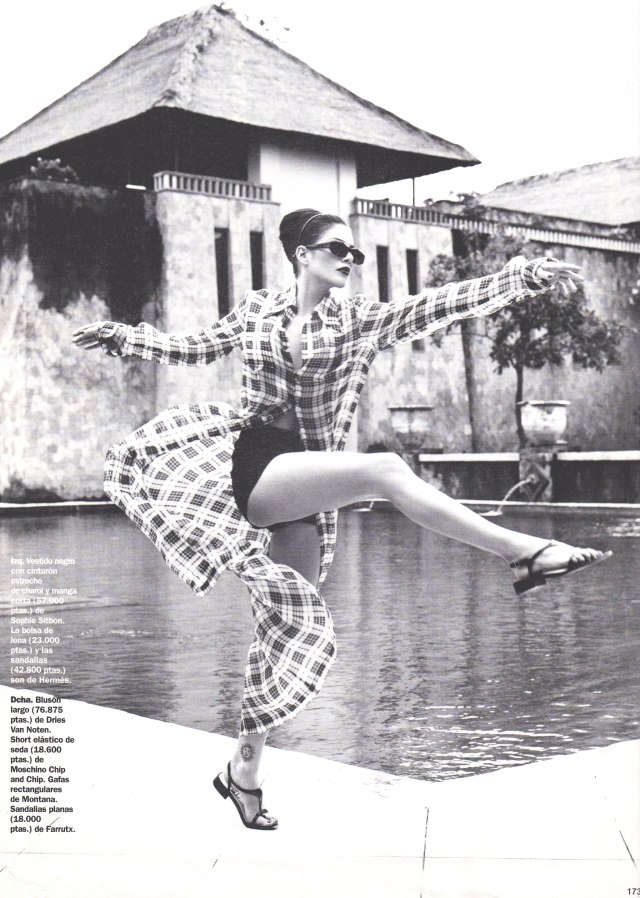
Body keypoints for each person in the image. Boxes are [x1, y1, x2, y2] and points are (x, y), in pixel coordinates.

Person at [73, 208, 610, 831]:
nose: (350, 260)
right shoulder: (256, 311)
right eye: (337, 248)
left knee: (285, 631)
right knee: (384, 470)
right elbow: (193, 347)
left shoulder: (356, 320)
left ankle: (243, 772)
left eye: (354, 252)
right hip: (257, 461)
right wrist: (125, 337)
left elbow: (437, 306)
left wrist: (518, 279)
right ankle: (523, 553)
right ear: (302, 254)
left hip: (308, 480)